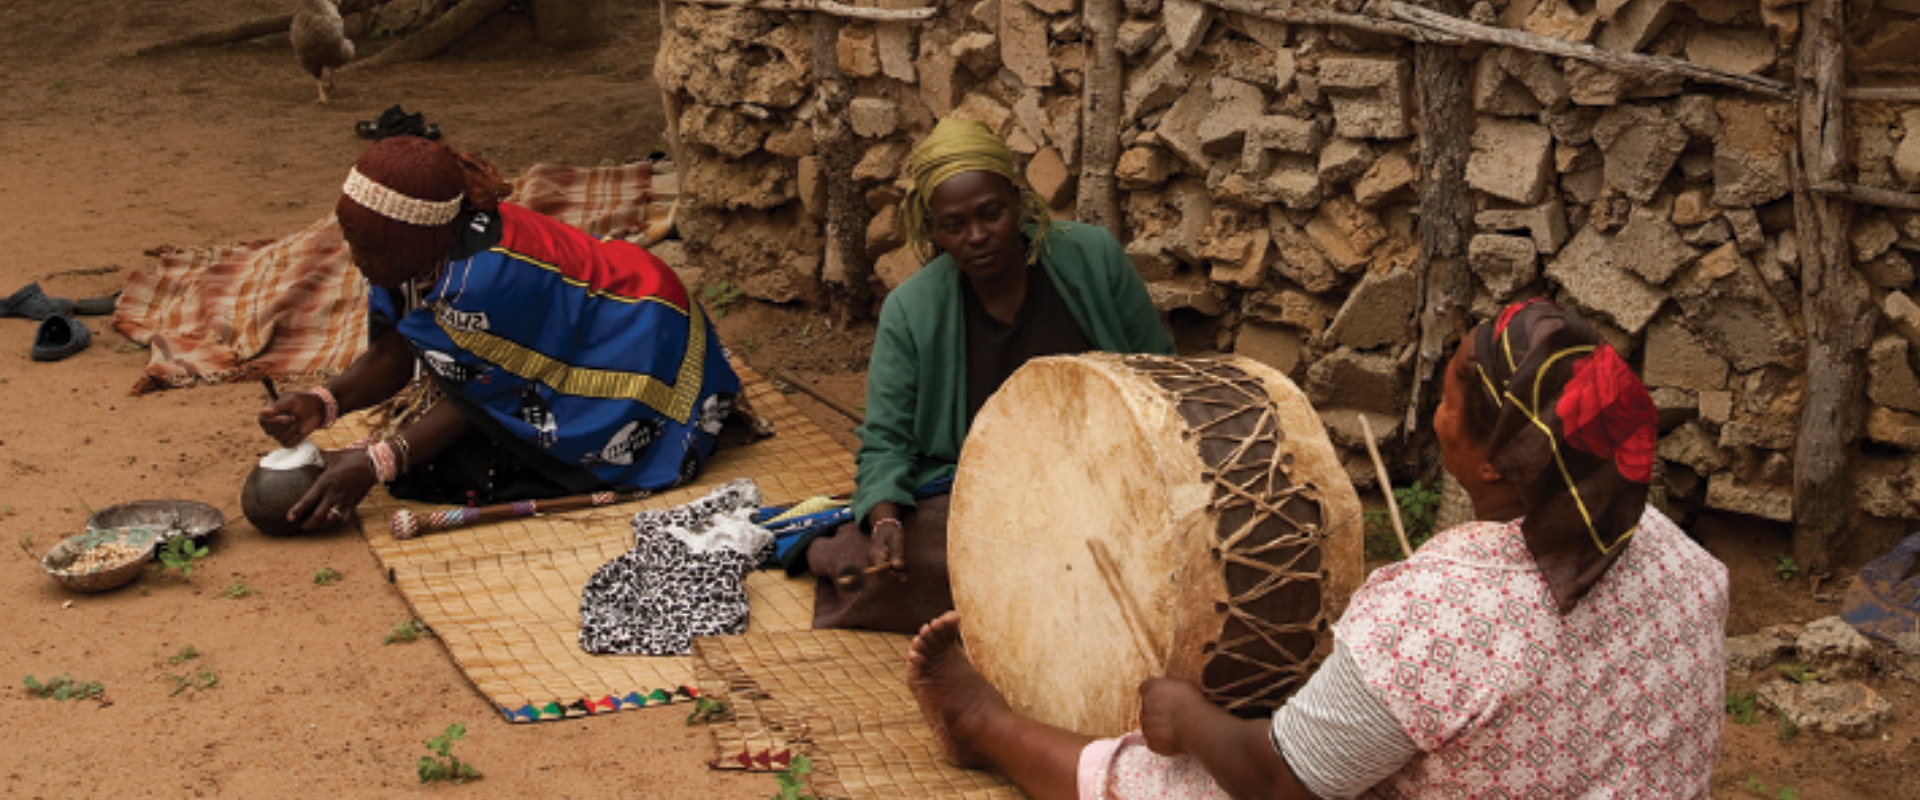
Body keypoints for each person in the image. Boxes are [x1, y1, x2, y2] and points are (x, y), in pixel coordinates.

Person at [907, 298, 1729, 799]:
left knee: (1178, 785)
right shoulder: (1686, 562)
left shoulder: (1445, 613)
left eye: (1446, 398)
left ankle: (982, 725)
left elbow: (1279, 783)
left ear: (1487, 460)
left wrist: (1191, 721)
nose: (1436, 411)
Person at [258, 136, 744, 533]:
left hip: (638, 343)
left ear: (411, 244)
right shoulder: (406, 257)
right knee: (426, 465)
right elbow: (395, 348)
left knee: (449, 473)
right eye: (350, 239)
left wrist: (380, 461)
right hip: (565, 340)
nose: (356, 259)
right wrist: (323, 401)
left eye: (367, 248)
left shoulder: (487, 281)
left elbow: (485, 397)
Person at [803, 117, 1175, 632]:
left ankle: (1038, 600)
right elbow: (887, 440)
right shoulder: (912, 311)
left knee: (1177, 541)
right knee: (865, 559)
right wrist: (885, 519)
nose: (976, 236)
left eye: (991, 214)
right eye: (953, 225)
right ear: (932, 230)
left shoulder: (1093, 258)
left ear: (1018, 203)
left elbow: (1160, 376)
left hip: (1106, 478)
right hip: (986, 499)